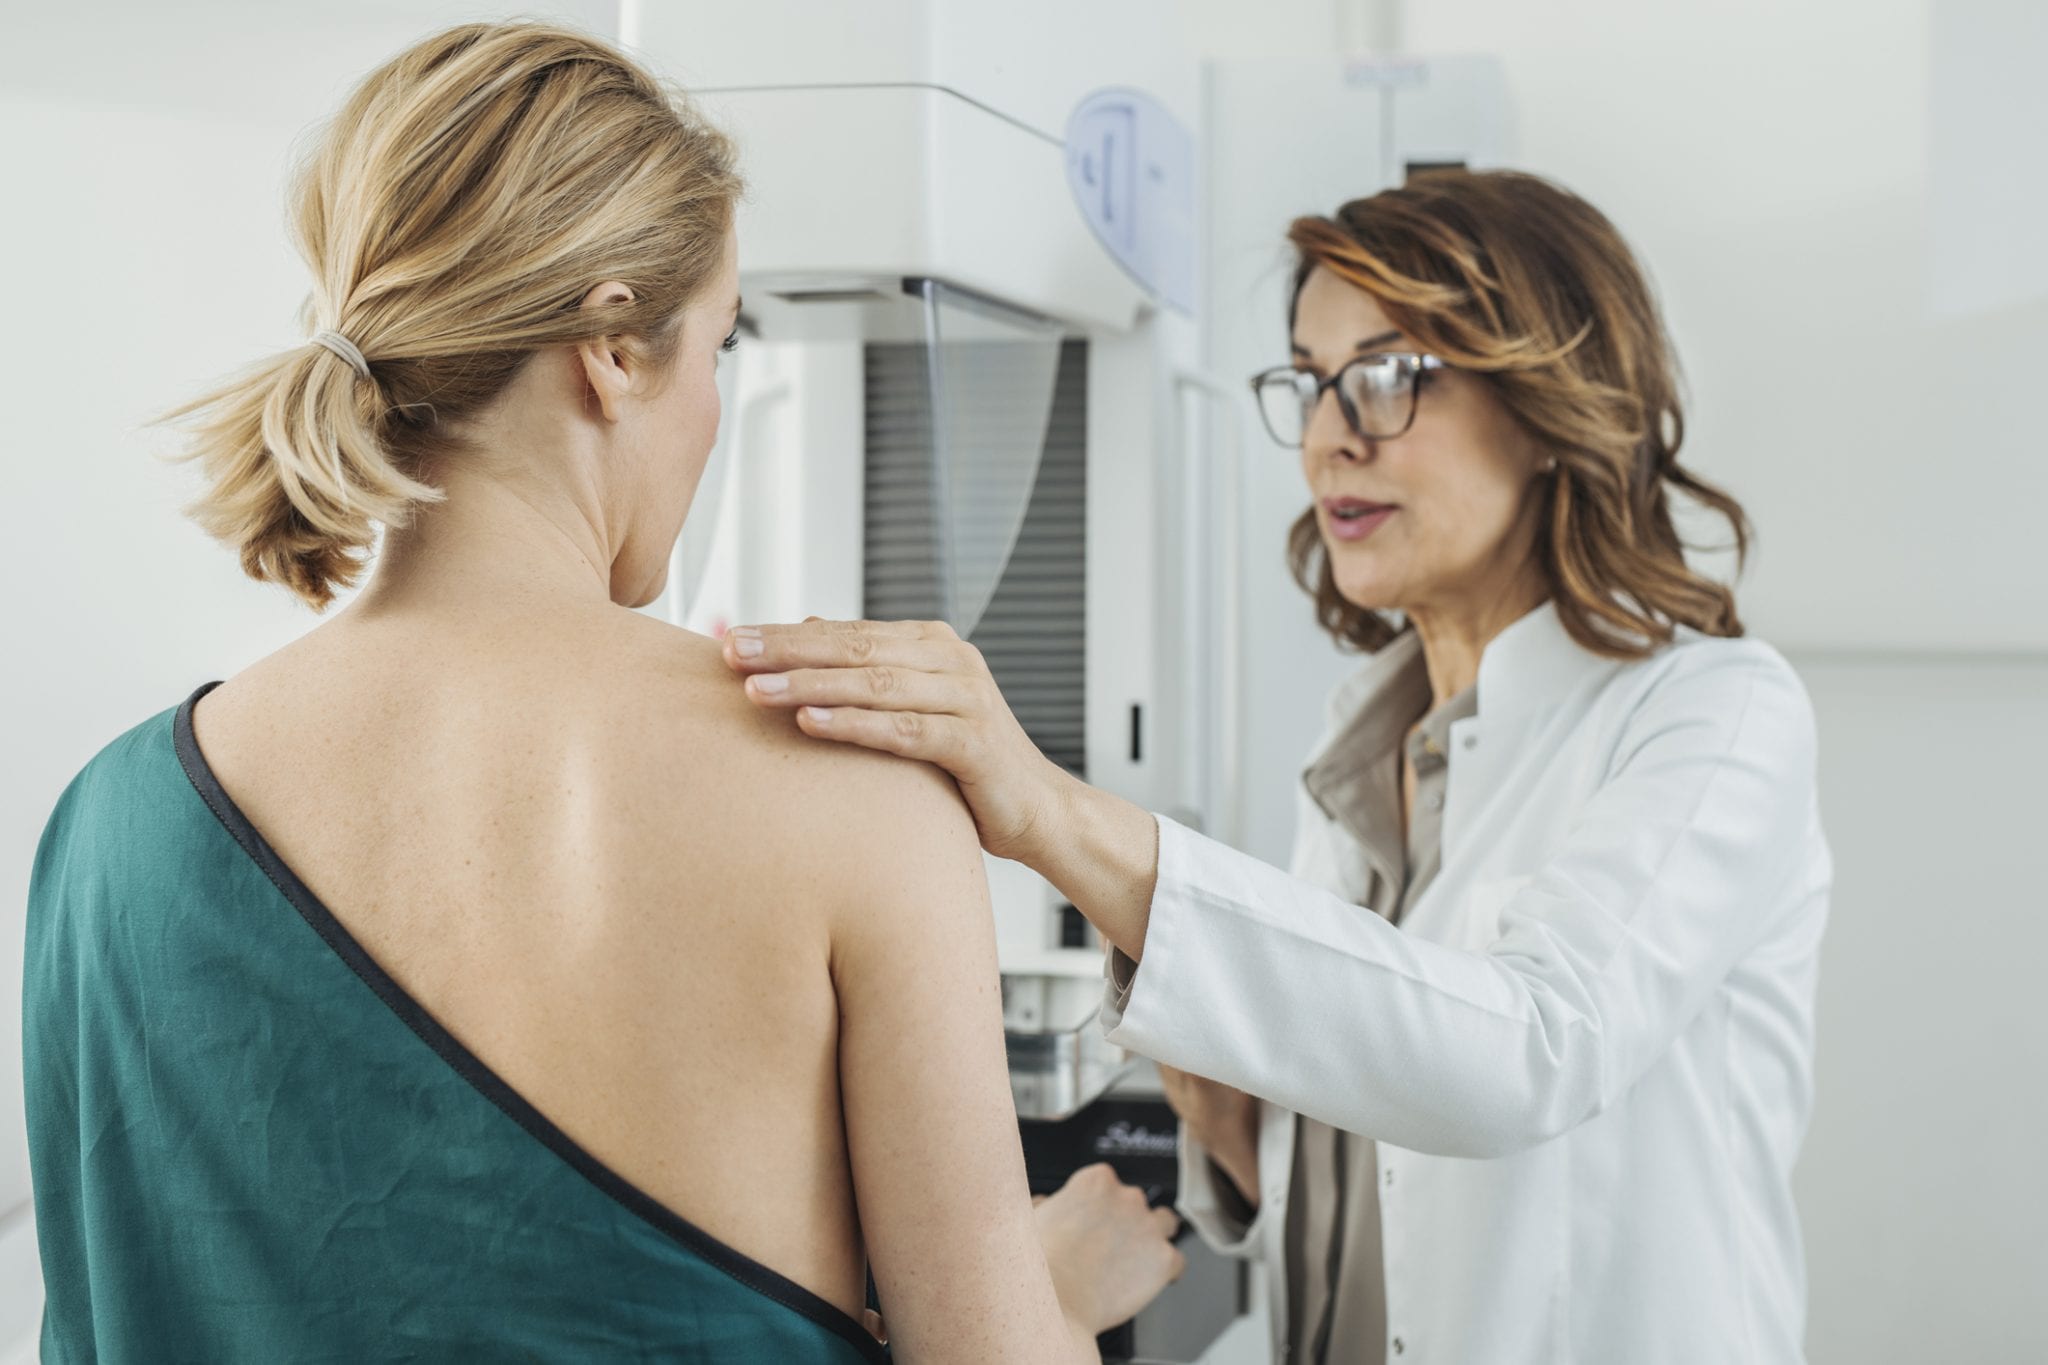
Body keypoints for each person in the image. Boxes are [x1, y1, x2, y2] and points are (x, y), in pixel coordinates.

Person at [22, 22, 1180, 1364]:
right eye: (721, 347)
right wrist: (1044, 1295)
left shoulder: (106, 831)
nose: (716, 408)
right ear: (615, 346)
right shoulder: (852, 802)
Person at [723, 170, 1833, 1364]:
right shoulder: (1362, 745)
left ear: (1551, 396)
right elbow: (1379, 1181)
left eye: (1388, 375)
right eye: (1308, 382)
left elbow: (1526, 1054)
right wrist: (1241, 1149)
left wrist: (1047, 810)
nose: (1328, 435)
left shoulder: (1711, 714)